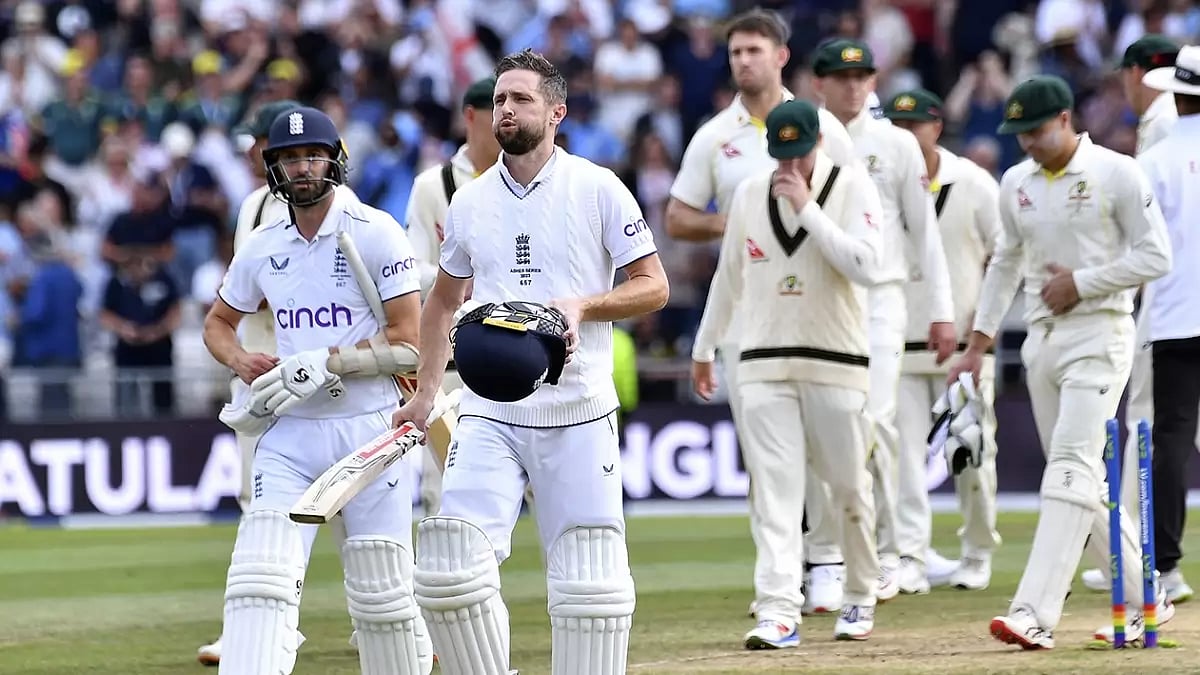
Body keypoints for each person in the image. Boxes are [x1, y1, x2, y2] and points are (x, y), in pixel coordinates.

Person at [393, 49, 669, 675]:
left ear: (557, 111)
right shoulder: (469, 202)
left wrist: (584, 306)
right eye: (499, 100)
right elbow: (441, 304)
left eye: (521, 99)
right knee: (450, 568)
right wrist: (426, 393)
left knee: (590, 587)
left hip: (578, 409)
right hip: (488, 411)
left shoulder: (598, 186)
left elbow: (654, 286)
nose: (506, 110)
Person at [202, 106, 433, 674]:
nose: (303, 168)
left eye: (313, 156)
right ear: (273, 168)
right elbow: (217, 324)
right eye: (290, 158)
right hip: (291, 431)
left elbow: (410, 344)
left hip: (370, 429)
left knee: (382, 594)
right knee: (261, 581)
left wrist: (328, 362)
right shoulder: (262, 243)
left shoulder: (375, 230)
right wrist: (241, 360)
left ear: (335, 161)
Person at [947, 75, 1173, 649]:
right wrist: (977, 343)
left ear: (1067, 119)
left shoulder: (1117, 173)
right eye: (1019, 133)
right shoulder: (1016, 181)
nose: (1027, 142)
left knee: (1069, 469)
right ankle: (1149, 596)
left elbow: (1157, 255)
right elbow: (1005, 262)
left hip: (1101, 333)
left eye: (1036, 130)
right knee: (1080, 481)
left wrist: (1084, 283)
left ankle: (1034, 613)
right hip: (1042, 340)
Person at [664, 7, 861, 617]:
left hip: (820, 312)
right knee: (764, 453)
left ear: (781, 55)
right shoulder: (713, 136)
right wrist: (747, 220)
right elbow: (677, 217)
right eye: (735, 52)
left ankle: (826, 561)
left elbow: (855, 207)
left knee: (825, 452)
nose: (743, 61)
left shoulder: (824, 127)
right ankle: (780, 575)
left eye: (754, 50)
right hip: (747, 314)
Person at [691, 99, 886, 647]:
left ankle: (860, 591)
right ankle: (778, 609)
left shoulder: (853, 185)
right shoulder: (750, 194)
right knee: (775, 494)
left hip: (836, 361)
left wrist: (808, 210)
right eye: (782, 156)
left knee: (848, 488)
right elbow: (729, 277)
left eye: (799, 154)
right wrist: (705, 346)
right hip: (762, 362)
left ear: (818, 143)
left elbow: (868, 267)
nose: (790, 167)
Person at [808, 38, 956, 598]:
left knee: (877, 422)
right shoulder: (805, 136)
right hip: (826, 300)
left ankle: (896, 552)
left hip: (882, 299)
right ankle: (831, 557)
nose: (853, 86)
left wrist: (941, 313)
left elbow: (925, 232)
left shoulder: (897, 144)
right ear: (819, 83)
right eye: (841, 77)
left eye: (862, 76)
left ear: (873, 81)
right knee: (831, 430)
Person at [195, 99, 305, 667]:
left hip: (324, 377)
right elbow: (243, 291)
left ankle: (395, 623)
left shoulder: (341, 205)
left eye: (255, 145)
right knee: (255, 503)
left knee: (349, 507)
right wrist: (238, 357)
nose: (248, 155)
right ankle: (250, 630)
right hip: (260, 377)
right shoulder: (254, 204)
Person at [1081, 33, 1187, 597]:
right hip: (1174, 300)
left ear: (1138, 73)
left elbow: (1147, 234)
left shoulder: (1165, 130)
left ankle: (1141, 558)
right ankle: (1143, 556)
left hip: (1170, 306)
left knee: (1148, 426)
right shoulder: (1168, 125)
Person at [883, 88, 1002, 591]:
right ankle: (910, 555)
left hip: (965, 350)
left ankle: (977, 551)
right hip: (900, 344)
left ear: (936, 127)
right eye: (896, 127)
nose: (904, 136)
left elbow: (1007, 254)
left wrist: (984, 322)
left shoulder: (972, 182)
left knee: (971, 456)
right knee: (902, 463)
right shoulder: (879, 184)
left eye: (913, 125)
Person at [403, 76, 501, 517]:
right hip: (454, 363)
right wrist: (460, 277)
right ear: (471, 117)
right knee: (444, 491)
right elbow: (412, 268)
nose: (507, 119)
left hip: (521, 351)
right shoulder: (435, 185)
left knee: (542, 489)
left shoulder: (536, 179)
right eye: (497, 108)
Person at [1138, 44, 1200, 607]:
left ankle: (1167, 568)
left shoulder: (1155, 160)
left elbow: (1137, 245)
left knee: (1173, 439)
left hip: (1176, 316)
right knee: (1173, 442)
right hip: (1177, 314)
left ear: (1176, 95)